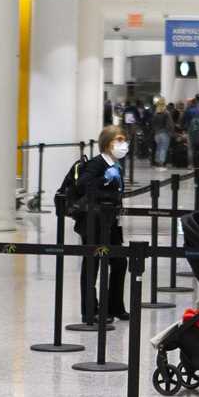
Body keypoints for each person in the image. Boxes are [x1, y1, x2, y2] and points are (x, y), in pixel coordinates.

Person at [72, 125, 130, 323]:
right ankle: (90, 310)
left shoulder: (116, 165)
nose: (123, 145)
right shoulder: (97, 164)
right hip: (93, 222)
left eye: (124, 140)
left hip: (111, 222)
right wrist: (104, 180)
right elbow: (83, 185)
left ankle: (114, 307)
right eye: (119, 140)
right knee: (92, 264)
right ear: (107, 144)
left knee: (120, 261)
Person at [150, 99, 171, 170]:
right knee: (163, 148)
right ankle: (161, 164)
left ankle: (157, 163)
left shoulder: (155, 113)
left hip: (157, 134)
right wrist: (170, 132)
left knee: (158, 148)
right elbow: (169, 124)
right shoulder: (166, 113)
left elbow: (152, 124)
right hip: (164, 133)